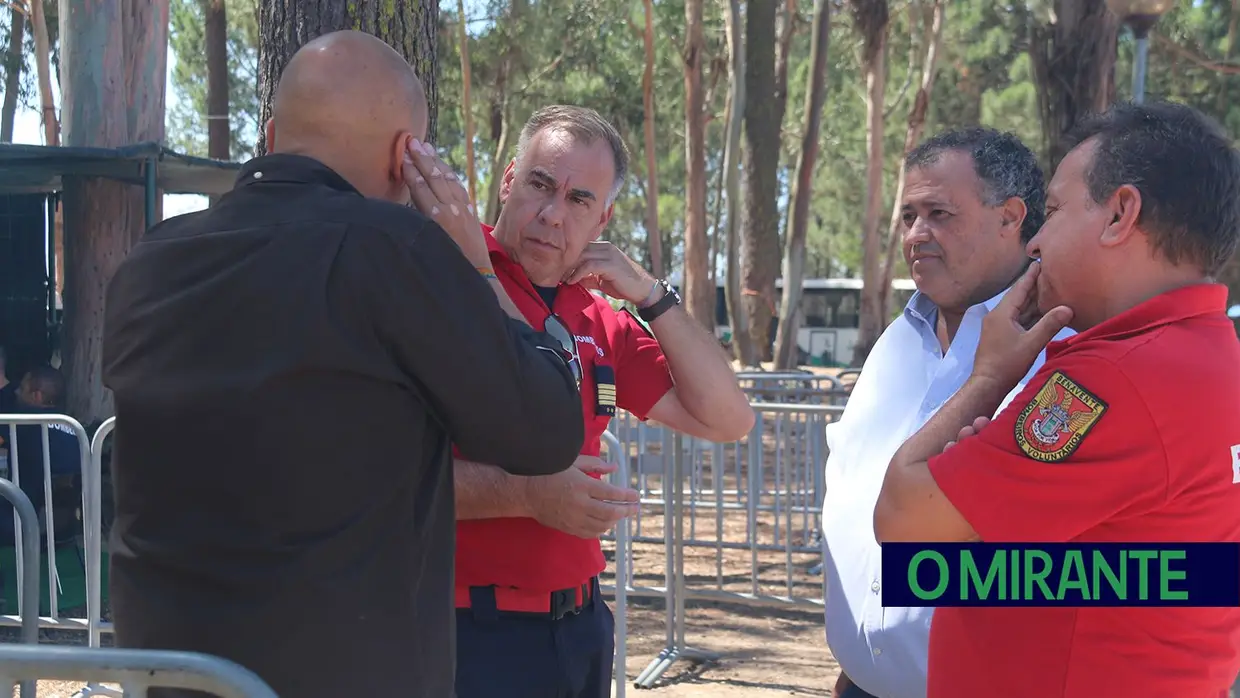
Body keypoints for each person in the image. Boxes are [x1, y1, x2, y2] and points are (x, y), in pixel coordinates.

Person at [102, 31, 585, 698]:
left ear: (270, 136)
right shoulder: (394, 251)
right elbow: (545, 428)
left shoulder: (146, 263)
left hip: (170, 674)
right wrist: (473, 262)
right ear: (404, 156)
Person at [874, 101, 1240, 697]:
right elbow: (1158, 574)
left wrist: (988, 377)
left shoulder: (1114, 377)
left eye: (1053, 210)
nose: (1037, 239)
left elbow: (903, 523)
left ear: (1121, 214)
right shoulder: (1212, 354)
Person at [452, 104, 755, 698]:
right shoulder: (453, 274)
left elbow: (729, 419)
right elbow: (388, 471)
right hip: (470, 629)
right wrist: (525, 495)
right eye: (540, 184)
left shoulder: (597, 314)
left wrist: (650, 294)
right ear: (509, 180)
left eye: (579, 200)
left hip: (581, 628)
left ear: (604, 218)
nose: (551, 214)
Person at [821, 127, 1072, 698]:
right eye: (908, 215)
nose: (916, 235)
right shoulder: (895, 342)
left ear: (1011, 217)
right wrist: (865, 663)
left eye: (939, 213)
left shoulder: (1064, 357)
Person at [0, 366, 81, 544]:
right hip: (64, 530)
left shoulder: (22, 423)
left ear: (37, 396)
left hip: (21, 523)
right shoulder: (74, 429)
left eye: (22, 389)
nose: (16, 392)